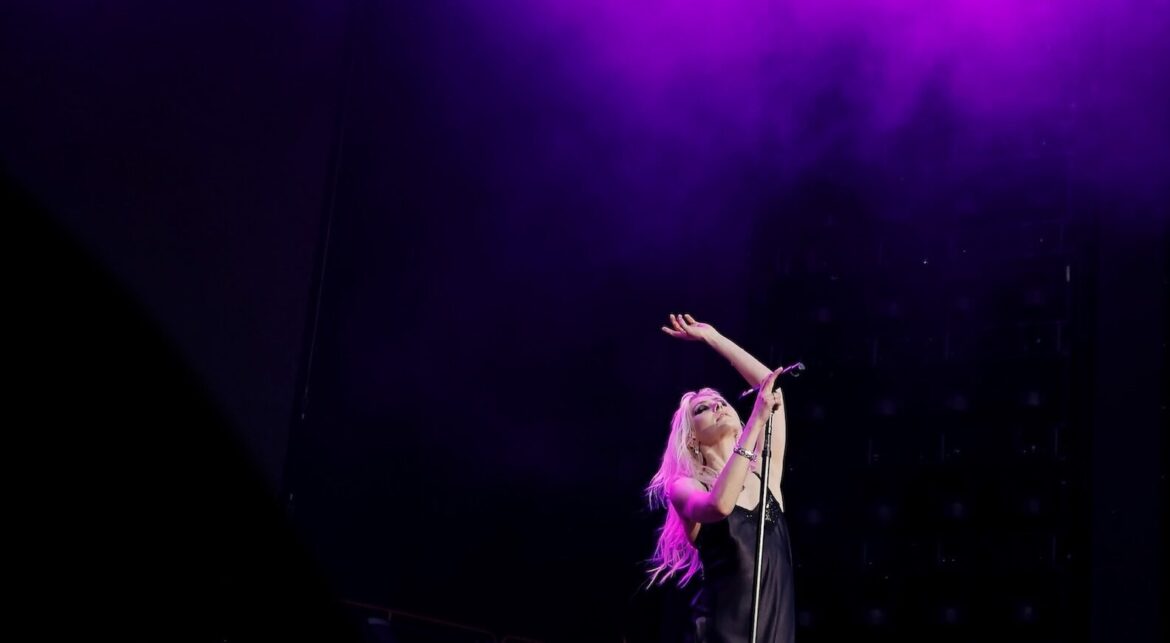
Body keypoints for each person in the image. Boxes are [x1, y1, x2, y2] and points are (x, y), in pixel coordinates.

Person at [646, 314, 795, 642]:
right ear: (690, 439)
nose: (717, 407)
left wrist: (712, 337)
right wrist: (756, 420)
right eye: (703, 409)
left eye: (721, 402)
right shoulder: (685, 486)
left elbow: (773, 389)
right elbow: (721, 505)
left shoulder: (765, 475)